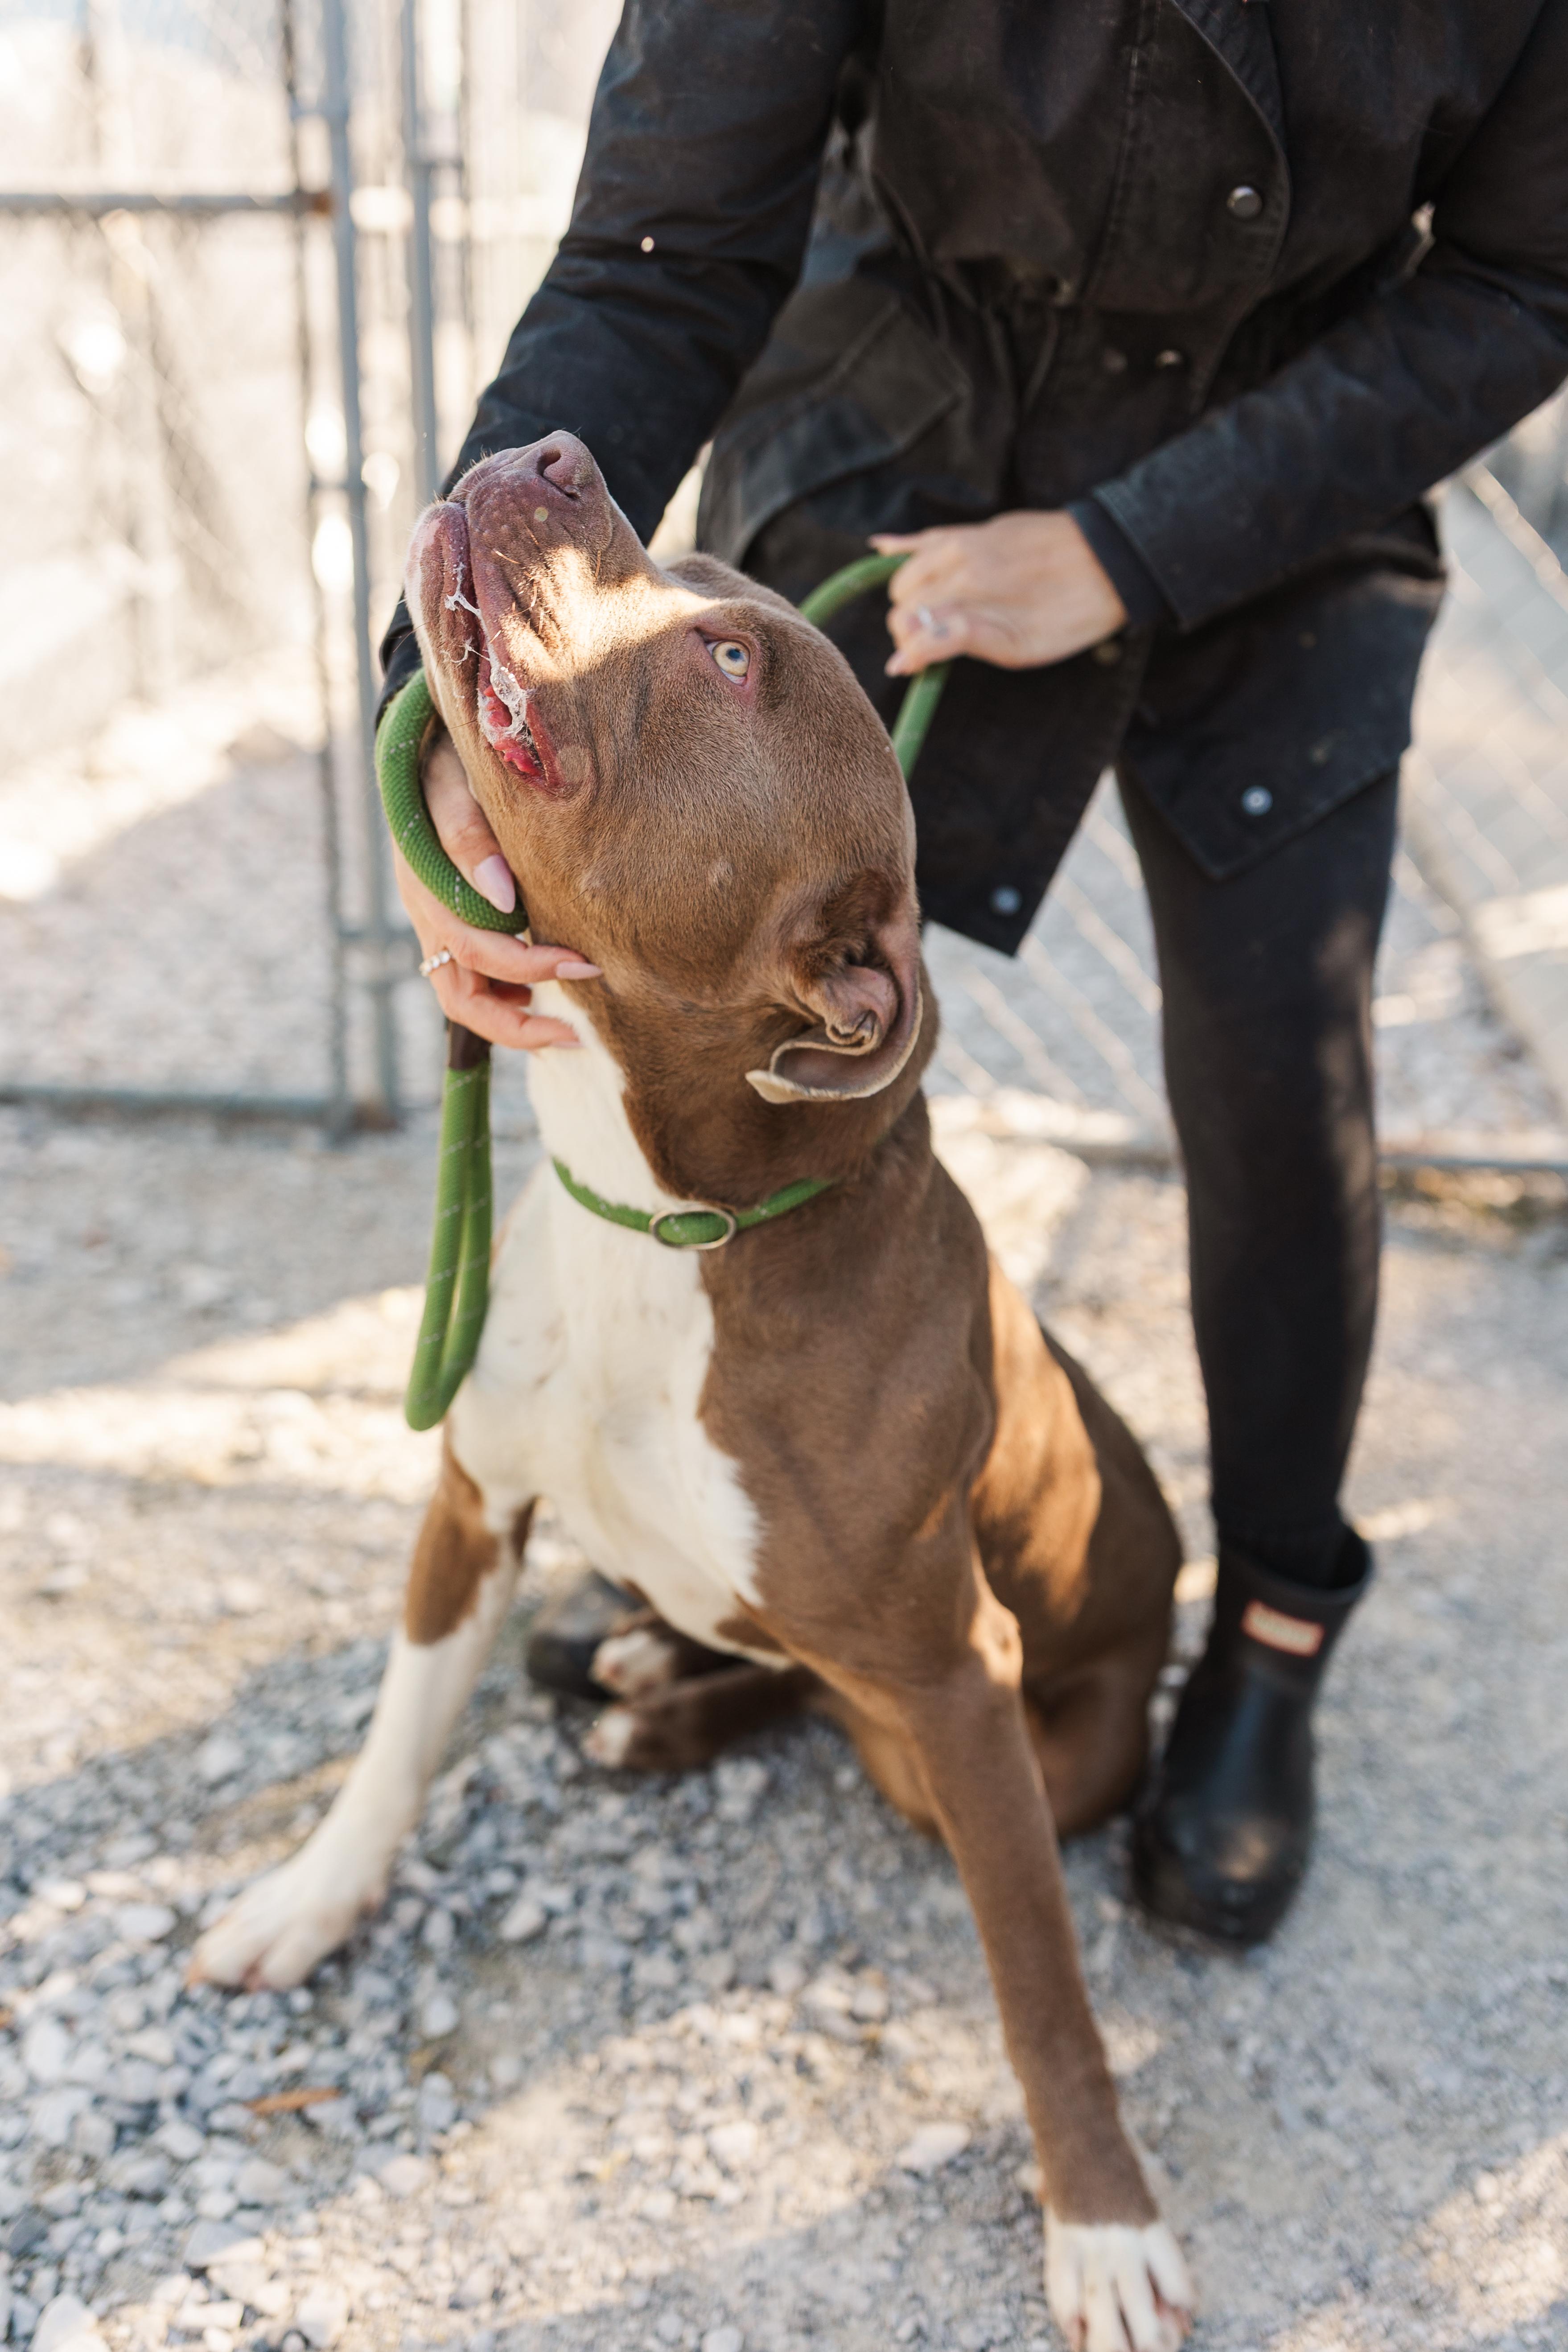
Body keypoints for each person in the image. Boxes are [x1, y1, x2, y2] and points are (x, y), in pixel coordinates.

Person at [377, 0, 1568, 1945]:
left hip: (1280, 485)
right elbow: (657, 252)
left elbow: (1530, 272)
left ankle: (1269, 1631)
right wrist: (444, 723)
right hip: (897, 410)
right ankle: (736, 1552)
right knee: (765, 1057)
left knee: (1283, 1057)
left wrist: (1132, 543)